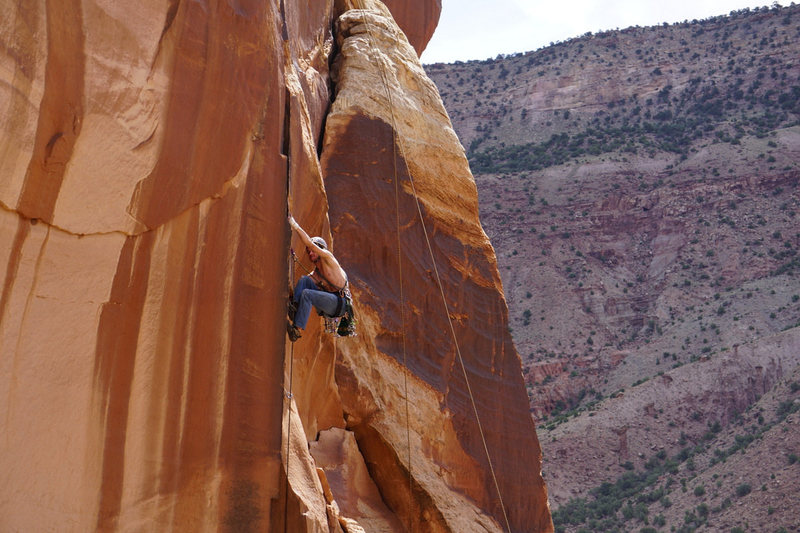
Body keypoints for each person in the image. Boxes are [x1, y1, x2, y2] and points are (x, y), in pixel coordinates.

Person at [287, 215, 349, 341]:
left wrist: (294, 225)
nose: (310, 253)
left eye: (313, 251)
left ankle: (296, 331)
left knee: (307, 294)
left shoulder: (328, 258)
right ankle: (295, 310)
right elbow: (306, 281)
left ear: (320, 250)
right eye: (308, 252)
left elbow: (309, 243)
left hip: (339, 303)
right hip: (330, 300)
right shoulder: (318, 271)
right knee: (305, 280)